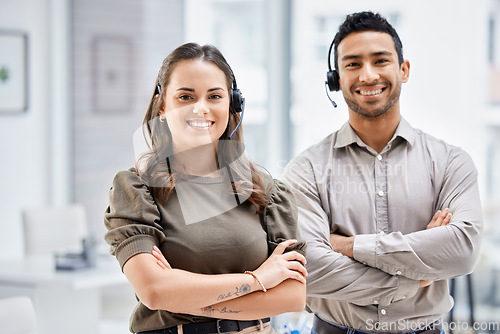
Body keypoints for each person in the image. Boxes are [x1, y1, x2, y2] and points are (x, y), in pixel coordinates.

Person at [282, 11, 483, 334]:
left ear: (403, 70)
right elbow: (311, 268)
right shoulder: (306, 170)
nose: (367, 75)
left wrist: (349, 246)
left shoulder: (450, 162)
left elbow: (462, 250)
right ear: (336, 80)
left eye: (380, 60)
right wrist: (416, 275)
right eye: (352, 64)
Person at [104, 42, 307, 334]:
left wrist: (183, 296)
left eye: (214, 96)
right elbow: (154, 291)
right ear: (162, 106)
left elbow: (292, 296)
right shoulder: (137, 189)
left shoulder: (266, 192)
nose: (201, 108)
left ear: (231, 104)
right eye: (186, 96)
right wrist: (259, 279)